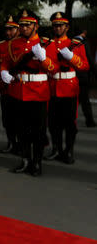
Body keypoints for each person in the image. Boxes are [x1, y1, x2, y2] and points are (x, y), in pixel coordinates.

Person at [0, 10, 58, 176]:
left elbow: (54, 69)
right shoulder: (14, 44)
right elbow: (6, 62)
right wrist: (4, 71)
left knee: (38, 131)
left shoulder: (47, 44)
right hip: (18, 92)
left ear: (36, 26)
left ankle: (37, 162)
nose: (24, 28)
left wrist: (44, 59)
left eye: (28, 25)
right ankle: (25, 160)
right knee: (21, 129)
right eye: (22, 25)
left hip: (38, 92)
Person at [44, 12, 89, 164]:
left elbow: (84, 66)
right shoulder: (48, 45)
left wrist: (72, 57)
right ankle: (56, 149)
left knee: (69, 122)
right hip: (53, 87)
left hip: (69, 88)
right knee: (53, 122)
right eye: (55, 25)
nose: (57, 28)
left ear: (67, 27)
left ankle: (68, 150)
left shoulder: (76, 44)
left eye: (60, 25)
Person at [0, 15, 20, 154]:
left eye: (12, 29)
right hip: (6, 87)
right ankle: (11, 142)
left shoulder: (22, 43)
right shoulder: (0, 45)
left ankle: (20, 144)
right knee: (7, 118)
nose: (8, 32)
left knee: (20, 118)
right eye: (7, 30)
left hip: (19, 85)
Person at [75, 31, 96, 127]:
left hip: (72, 76)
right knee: (85, 100)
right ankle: (89, 121)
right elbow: (89, 59)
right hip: (82, 75)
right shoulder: (83, 43)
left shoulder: (69, 41)